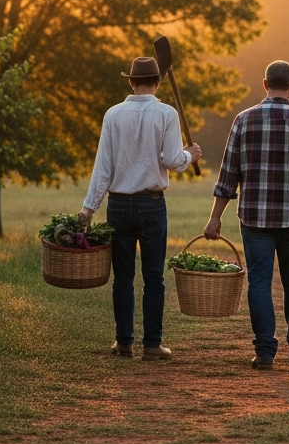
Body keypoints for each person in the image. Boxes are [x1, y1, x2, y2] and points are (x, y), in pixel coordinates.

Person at [204, 60, 289, 370]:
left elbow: (228, 176)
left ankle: (264, 352)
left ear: (265, 84)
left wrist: (215, 218)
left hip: (253, 217)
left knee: (260, 282)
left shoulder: (243, 121)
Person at [79, 56, 202, 361]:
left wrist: (88, 209)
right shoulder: (167, 113)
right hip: (151, 205)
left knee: (122, 278)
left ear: (131, 82)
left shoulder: (113, 115)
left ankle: (123, 343)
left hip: (118, 205)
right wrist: (190, 156)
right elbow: (172, 160)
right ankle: (151, 345)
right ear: (158, 83)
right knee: (153, 278)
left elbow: (103, 168)